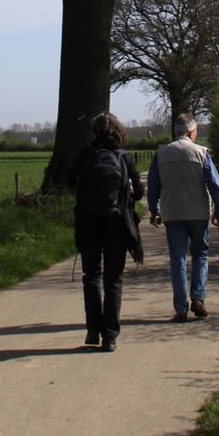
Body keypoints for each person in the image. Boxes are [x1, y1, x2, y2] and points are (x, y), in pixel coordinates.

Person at [67, 112, 144, 351]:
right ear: (117, 130)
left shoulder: (86, 155)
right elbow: (139, 192)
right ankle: (110, 335)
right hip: (117, 225)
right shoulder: (124, 157)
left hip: (89, 224)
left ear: (94, 132)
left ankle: (92, 331)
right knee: (113, 280)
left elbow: (70, 181)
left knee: (91, 277)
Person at [147, 114, 219, 322]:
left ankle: (181, 308)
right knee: (200, 255)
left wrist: (154, 210)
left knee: (178, 259)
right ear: (192, 132)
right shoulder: (201, 153)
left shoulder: (162, 154)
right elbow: (215, 184)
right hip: (198, 212)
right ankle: (198, 298)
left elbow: (153, 186)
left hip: (172, 213)